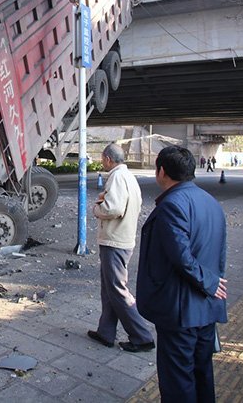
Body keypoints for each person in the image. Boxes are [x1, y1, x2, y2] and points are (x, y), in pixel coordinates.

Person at [136, 146, 228, 402]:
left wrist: (209, 282)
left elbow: (182, 257)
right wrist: (214, 286)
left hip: (181, 311)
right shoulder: (211, 202)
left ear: (161, 171)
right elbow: (219, 252)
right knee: (202, 375)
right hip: (206, 309)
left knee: (178, 381)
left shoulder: (172, 205)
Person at [88, 144, 155, 352]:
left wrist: (97, 208)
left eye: (102, 159)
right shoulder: (129, 176)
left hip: (114, 241)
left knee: (117, 290)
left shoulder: (116, 177)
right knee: (108, 288)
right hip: (122, 239)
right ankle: (105, 332)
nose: (102, 162)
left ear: (108, 158)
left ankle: (142, 337)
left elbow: (113, 207)